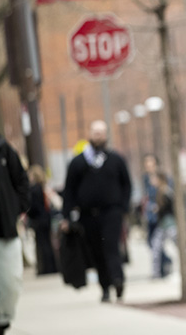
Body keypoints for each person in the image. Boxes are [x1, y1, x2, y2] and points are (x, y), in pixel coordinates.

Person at [61, 120, 132, 303]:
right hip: (88, 215)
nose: (98, 136)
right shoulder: (78, 162)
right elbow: (69, 190)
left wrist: (123, 207)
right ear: (89, 134)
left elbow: (127, 185)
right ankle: (105, 287)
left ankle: (117, 280)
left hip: (112, 213)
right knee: (96, 251)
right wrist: (67, 216)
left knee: (111, 247)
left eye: (102, 132)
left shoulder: (115, 159)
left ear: (106, 135)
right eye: (95, 132)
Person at [0, 133, 30, 335]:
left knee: (10, 283)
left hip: (4, 230)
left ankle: (3, 318)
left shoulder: (4, 149)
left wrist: (16, 209)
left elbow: (22, 181)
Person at [140, 154, 171, 274]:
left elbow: (166, 194)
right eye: (146, 164)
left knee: (156, 243)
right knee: (151, 242)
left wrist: (159, 207)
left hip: (161, 215)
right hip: (150, 215)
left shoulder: (161, 177)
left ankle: (162, 267)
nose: (148, 166)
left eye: (151, 163)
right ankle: (164, 263)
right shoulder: (145, 178)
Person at [26, 165, 58, 275]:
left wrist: (29, 214)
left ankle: (46, 268)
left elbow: (32, 206)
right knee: (48, 243)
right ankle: (52, 267)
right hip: (46, 217)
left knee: (42, 244)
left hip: (39, 219)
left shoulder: (34, 189)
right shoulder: (42, 186)